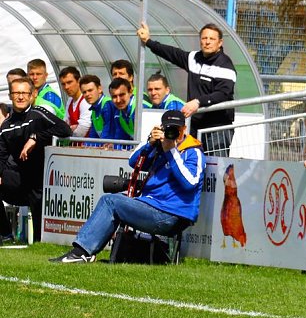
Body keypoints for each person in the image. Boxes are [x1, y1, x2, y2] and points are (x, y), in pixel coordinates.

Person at [50, 110, 205, 262]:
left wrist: (171, 151)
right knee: (111, 200)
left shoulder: (193, 151)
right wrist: (150, 142)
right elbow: (133, 161)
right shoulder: (159, 147)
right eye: (168, 129)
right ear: (162, 128)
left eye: (176, 130)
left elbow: (190, 183)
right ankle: (85, 252)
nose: (173, 134)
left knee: (110, 201)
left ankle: (81, 253)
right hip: (151, 205)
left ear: (184, 129)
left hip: (171, 214)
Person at [137, 22, 237, 155]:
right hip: (195, 126)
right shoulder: (194, 58)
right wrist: (148, 41)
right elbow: (172, 53)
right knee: (193, 165)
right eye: (204, 38)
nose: (207, 42)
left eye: (212, 39)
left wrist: (198, 102)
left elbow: (223, 94)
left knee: (216, 170)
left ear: (220, 43)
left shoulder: (225, 65)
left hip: (217, 129)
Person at [0, 78, 73, 241]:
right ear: (10, 96)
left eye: (24, 93)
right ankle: (6, 235)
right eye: (16, 93)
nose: (20, 97)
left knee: (42, 234)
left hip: (44, 181)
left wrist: (36, 137)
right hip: (20, 181)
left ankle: (41, 242)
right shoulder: (5, 126)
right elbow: (1, 156)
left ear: (31, 95)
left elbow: (65, 129)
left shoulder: (38, 114)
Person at [59, 66, 92, 137]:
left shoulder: (86, 101)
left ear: (79, 81)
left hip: (88, 146)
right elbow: (65, 123)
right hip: (76, 145)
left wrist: (69, 133)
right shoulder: (70, 100)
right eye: (63, 84)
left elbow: (82, 130)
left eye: (69, 82)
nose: (66, 87)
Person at [79, 75, 112, 139]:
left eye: (90, 90)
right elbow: (93, 136)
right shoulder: (94, 109)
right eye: (84, 92)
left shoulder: (107, 105)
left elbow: (107, 135)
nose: (87, 94)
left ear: (99, 89)